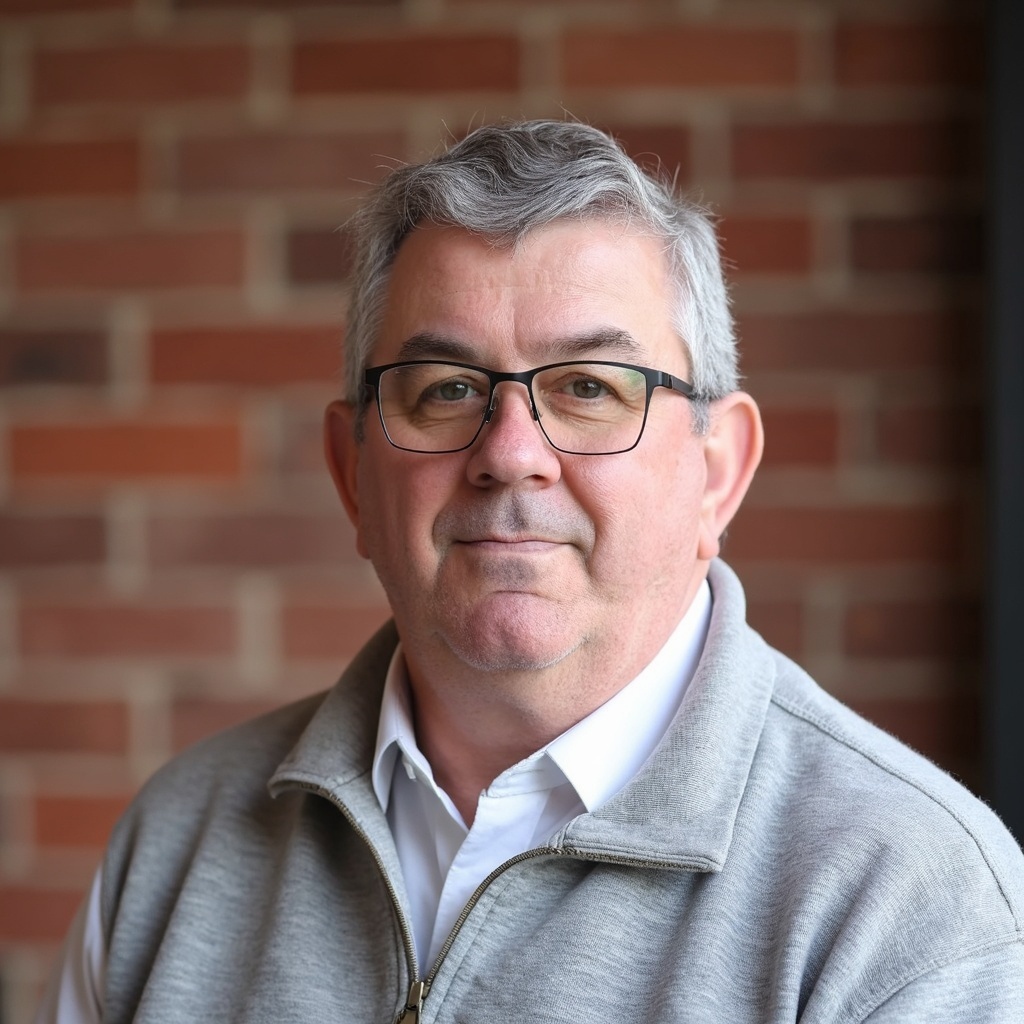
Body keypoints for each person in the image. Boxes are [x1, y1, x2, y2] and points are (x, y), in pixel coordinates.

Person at [36, 120, 1024, 1024]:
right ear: (351, 474)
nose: (510, 453)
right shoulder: (176, 844)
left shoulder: (908, 906)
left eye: (590, 387)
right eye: (445, 390)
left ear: (717, 471)